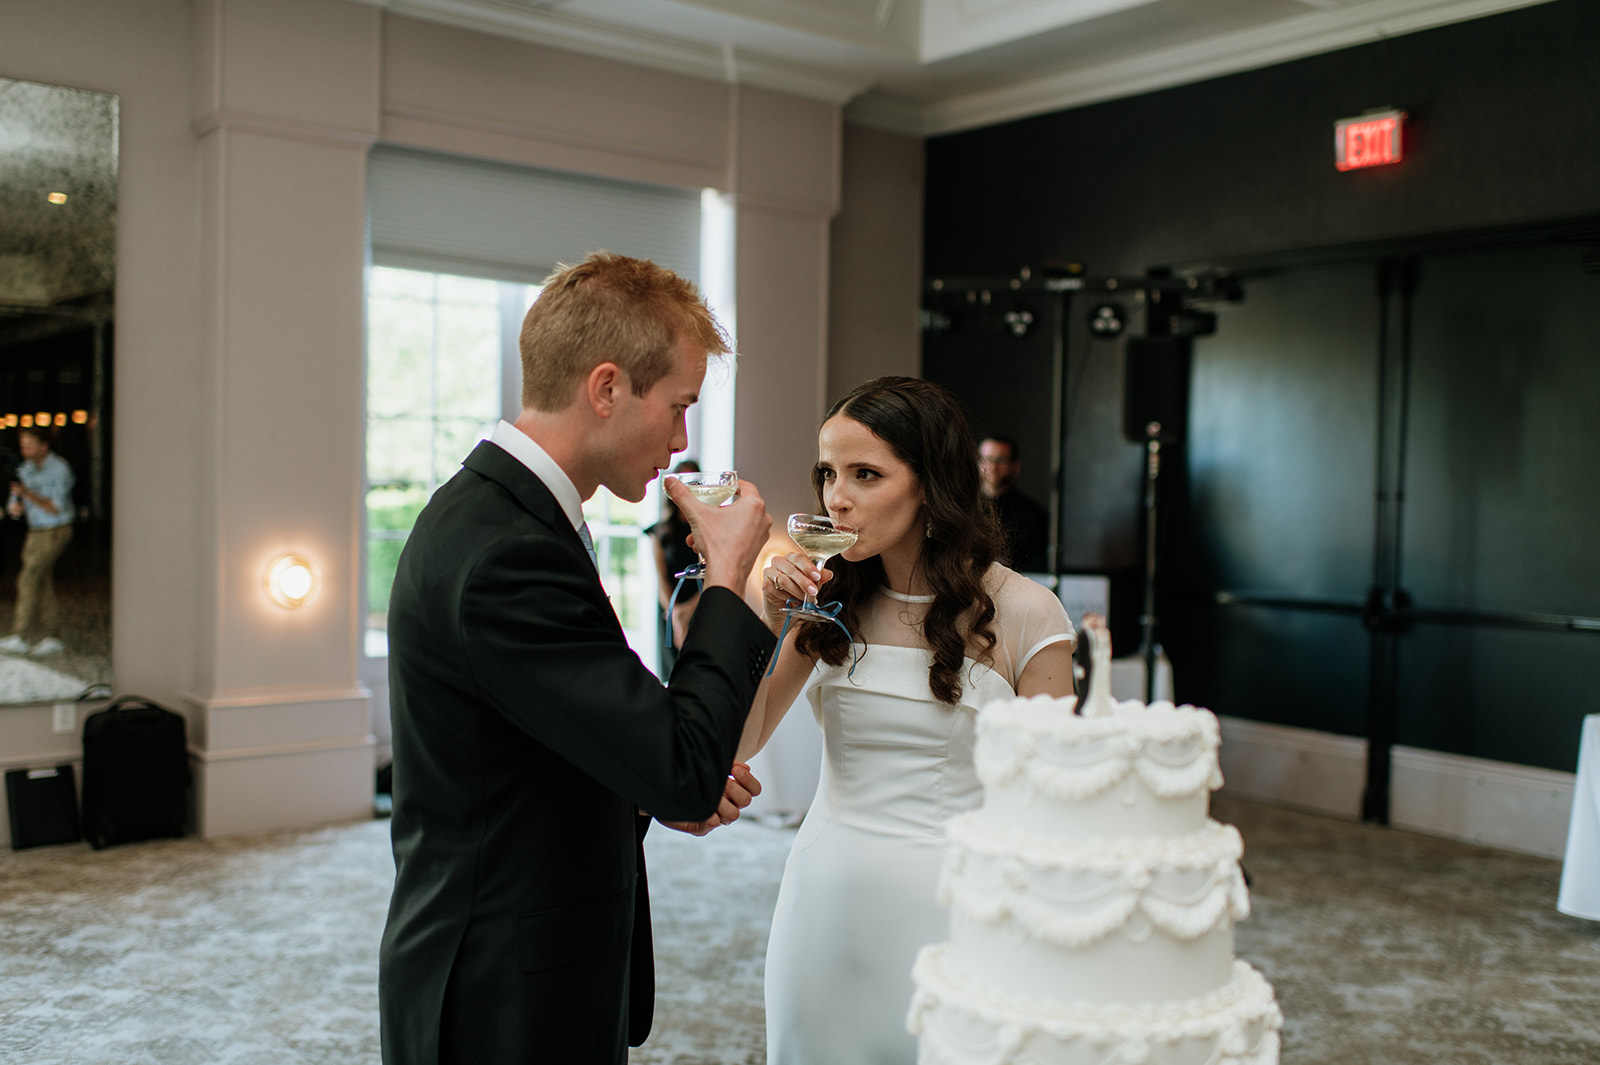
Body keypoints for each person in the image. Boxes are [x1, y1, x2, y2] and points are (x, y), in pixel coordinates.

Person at [378, 252, 778, 1065]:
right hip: (504, 998)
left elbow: (536, 736)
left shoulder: (501, 514)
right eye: (677, 406)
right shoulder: (508, 552)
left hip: (518, 962)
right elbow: (682, 769)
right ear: (605, 388)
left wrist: (642, 782)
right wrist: (730, 577)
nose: (682, 438)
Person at [742, 376, 1078, 1065]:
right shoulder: (825, 601)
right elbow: (743, 738)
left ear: (930, 484)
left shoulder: (1024, 613)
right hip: (824, 905)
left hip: (960, 911)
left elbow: (1060, 799)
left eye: (866, 474)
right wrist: (770, 623)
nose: (837, 496)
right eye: (828, 473)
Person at [0, 426, 75, 656]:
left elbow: (54, 507)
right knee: (41, 581)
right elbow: (16, 507)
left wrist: (26, 493)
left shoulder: (59, 469)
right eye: (22, 446)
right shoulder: (25, 469)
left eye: (29, 445)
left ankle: (21, 634)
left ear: (43, 446)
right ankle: (53, 636)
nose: (24, 450)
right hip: (35, 530)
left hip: (55, 529)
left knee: (29, 577)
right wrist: (16, 504)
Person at [646, 458, 701, 676]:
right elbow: (660, 580)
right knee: (672, 673)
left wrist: (688, 612)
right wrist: (675, 613)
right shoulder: (660, 531)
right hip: (670, 608)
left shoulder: (706, 529)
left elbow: (715, 575)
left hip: (700, 606)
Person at [978, 433, 1050, 572]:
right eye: (986, 459)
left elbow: (1037, 568)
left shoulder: (1034, 516)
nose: (992, 467)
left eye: (1000, 460)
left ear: (1015, 466)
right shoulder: (962, 508)